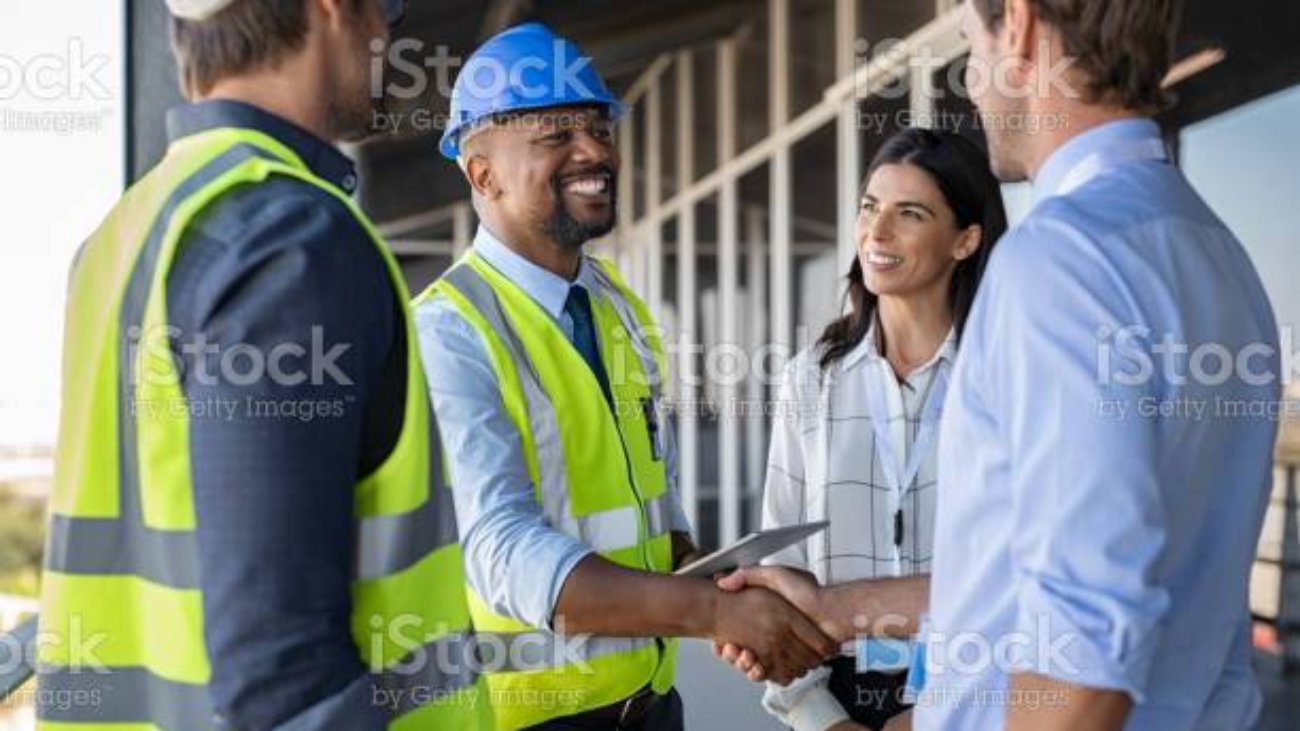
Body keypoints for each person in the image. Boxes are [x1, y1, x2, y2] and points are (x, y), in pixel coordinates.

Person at [723, 0, 1282, 729]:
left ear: (1015, 27)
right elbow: (1026, 582)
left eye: (971, 43)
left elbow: (1084, 641)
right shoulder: (1217, 252)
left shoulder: (1060, 259)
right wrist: (838, 609)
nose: (975, 81)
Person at [37, 0, 492, 729]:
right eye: (386, 11)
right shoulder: (290, 240)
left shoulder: (123, 234)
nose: (387, 35)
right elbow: (283, 683)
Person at [414, 22, 837, 731]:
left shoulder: (614, 306)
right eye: (557, 135)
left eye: (600, 127)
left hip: (651, 709)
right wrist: (717, 612)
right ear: (481, 173)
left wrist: (726, 577)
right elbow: (503, 553)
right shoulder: (449, 330)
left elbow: (650, 510)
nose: (595, 152)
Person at [752, 128, 1005, 731]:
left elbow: (1026, 576)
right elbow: (781, 563)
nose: (877, 232)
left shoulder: (1003, 378)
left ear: (965, 240)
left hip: (971, 697)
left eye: (910, 214)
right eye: (870, 207)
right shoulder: (811, 378)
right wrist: (818, 717)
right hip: (837, 698)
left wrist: (930, 718)